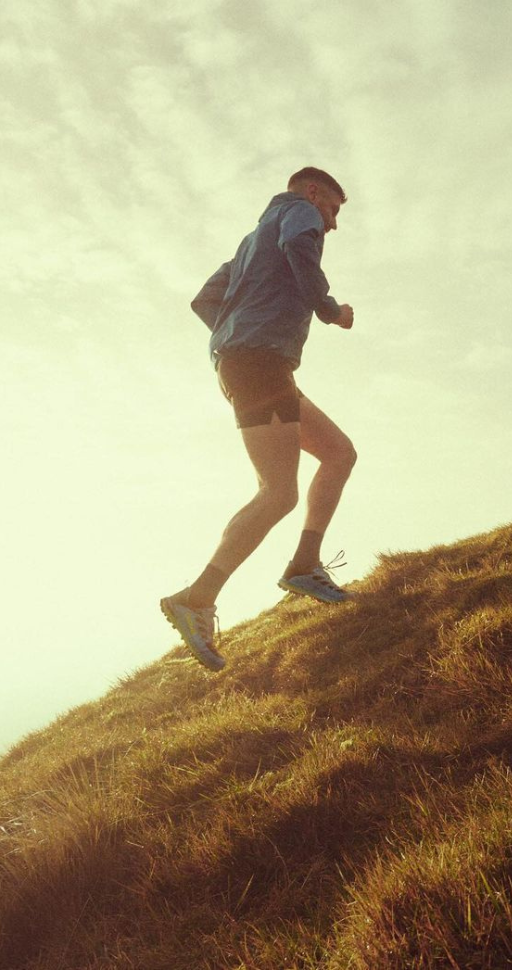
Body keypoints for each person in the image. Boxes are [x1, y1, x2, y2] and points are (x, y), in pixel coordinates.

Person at [161, 166, 357, 671]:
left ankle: (304, 565)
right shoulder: (298, 213)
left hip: (256, 362)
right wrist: (330, 310)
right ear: (313, 193)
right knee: (278, 492)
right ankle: (195, 599)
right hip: (258, 363)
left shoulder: (251, 243)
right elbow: (300, 248)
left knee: (338, 453)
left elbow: (205, 299)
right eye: (333, 209)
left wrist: (236, 330)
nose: (332, 223)